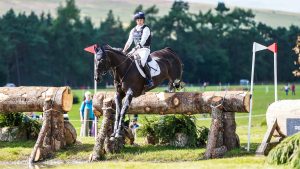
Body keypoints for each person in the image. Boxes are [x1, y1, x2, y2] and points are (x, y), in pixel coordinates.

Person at [122, 11, 153, 88]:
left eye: (141, 20)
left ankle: (149, 80)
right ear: (136, 21)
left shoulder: (146, 29)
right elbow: (129, 41)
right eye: (138, 20)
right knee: (127, 59)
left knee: (141, 62)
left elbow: (143, 40)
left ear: (143, 20)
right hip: (136, 49)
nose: (139, 21)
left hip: (145, 49)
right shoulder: (133, 30)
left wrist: (137, 47)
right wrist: (124, 50)